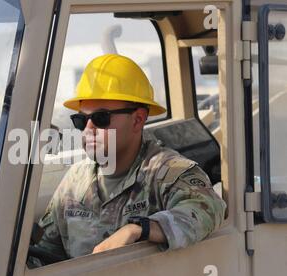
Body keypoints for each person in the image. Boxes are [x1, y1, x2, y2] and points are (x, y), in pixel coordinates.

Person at [34, 53, 226, 261]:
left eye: (100, 118)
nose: (88, 129)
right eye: (81, 120)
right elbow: (46, 251)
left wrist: (138, 229)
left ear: (137, 120)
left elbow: (208, 208)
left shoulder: (166, 172)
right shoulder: (75, 179)